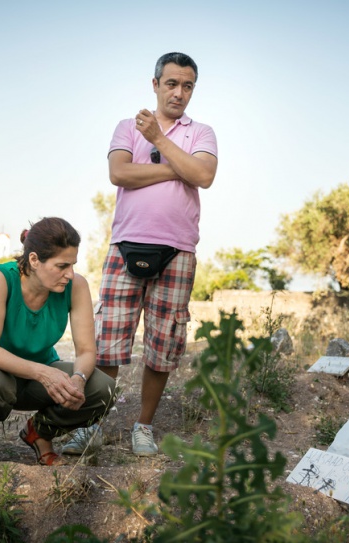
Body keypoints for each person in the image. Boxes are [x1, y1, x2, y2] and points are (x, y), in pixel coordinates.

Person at [61, 52, 217, 457]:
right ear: (155, 84)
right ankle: (91, 426)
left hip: (179, 250)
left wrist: (160, 143)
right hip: (125, 244)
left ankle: (143, 426)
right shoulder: (128, 126)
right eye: (171, 84)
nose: (179, 93)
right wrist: (176, 168)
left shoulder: (202, 133)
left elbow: (203, 176)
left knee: (163, 345)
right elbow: (119, 174)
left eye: (187, 86)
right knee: (109, 341)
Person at [0, 217, 116, 465]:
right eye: (62, 266)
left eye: (73, 265)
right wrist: (44, 374)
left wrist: (78, 380)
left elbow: (85, 351)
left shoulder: (77, 286)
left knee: (103, 388)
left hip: (33, 377)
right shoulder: (1, 278)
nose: (70, 274)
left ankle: (40, 432)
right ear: (34, 260)